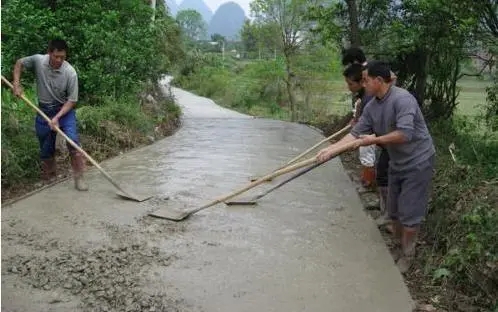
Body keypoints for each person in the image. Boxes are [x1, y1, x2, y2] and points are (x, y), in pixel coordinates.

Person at [317, 61, 436, 273]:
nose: (363, 84)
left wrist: (373, 140)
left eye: (366, 80)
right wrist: (331, 150)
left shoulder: (402, 100)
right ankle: (398, 247)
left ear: (379, 81)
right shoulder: (372, 106)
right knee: (394, 211)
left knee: (409, 212)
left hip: (418, 161)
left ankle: (408, 255)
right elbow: (355, 133)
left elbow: (404, 134)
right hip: (397, 161)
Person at [12, 39, 88, 191]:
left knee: (72, 140)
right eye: (56, 56)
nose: (59, 60)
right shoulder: (39, 61)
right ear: (49, 53)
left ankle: (79, 178)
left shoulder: (70, 73)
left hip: (64, 110)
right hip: (43, 110)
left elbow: (72, 101)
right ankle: (50, 177)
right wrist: (16, 84)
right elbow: (19, 63)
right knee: (45, 145)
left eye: (62, 57)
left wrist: (57, 117)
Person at [342, 63, 376, 187]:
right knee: (365, 155)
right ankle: (367, 178)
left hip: (369, 133)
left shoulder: (369, 96)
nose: (349, 87)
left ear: (361, 82)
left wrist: (358, 122)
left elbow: (368, 117)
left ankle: (369, 182)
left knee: (367, 155)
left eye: (351, 84)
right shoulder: (363, 95)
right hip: (365, 130)